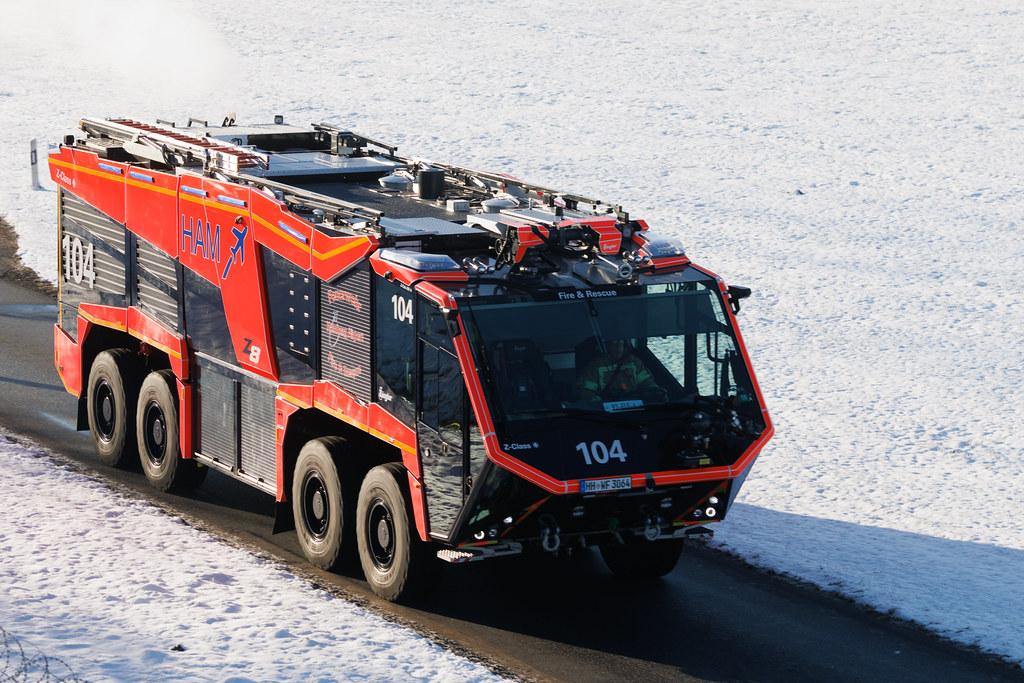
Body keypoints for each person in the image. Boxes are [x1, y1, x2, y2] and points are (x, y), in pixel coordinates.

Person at [576, 339, 661, 402]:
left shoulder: (634, 362)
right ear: (607, 345)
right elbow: (586, 391)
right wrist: (598, 402)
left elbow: (646, 382)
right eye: (614, 343)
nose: (618, 347)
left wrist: (654, 392)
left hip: (634, 408)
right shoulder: (595, 366)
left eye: (621, 343)